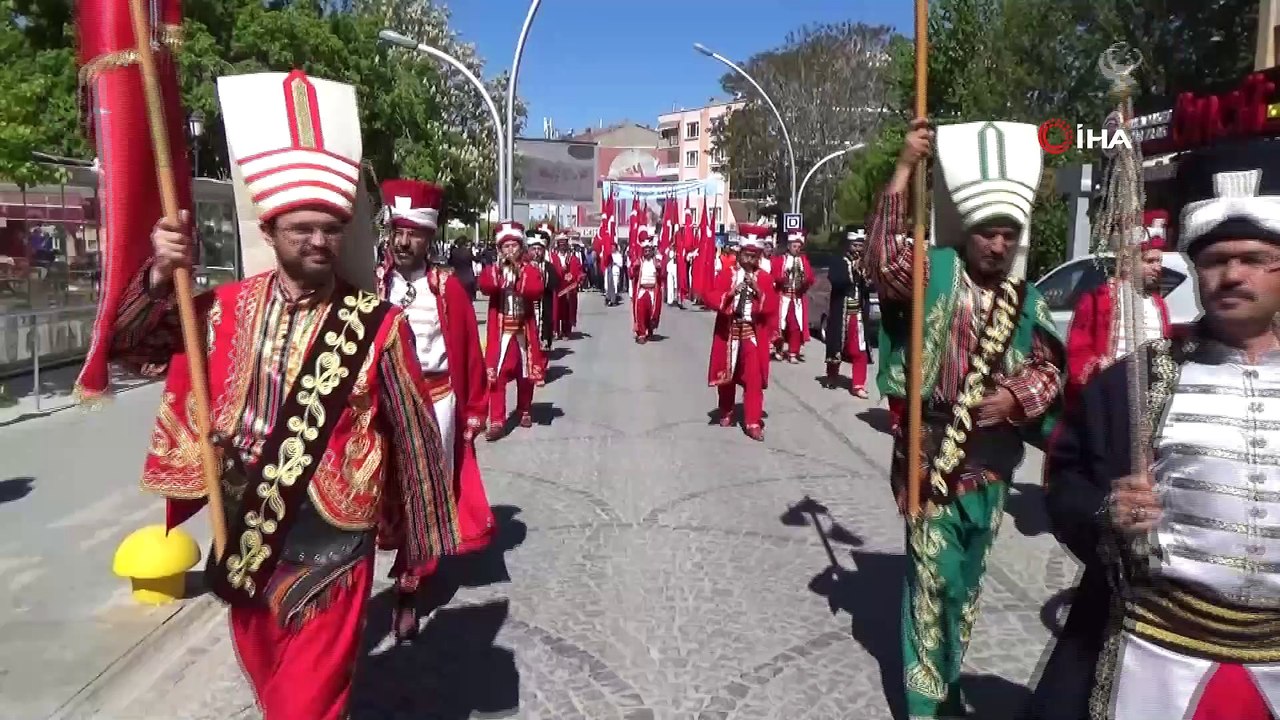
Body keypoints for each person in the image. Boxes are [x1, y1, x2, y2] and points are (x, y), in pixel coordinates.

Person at [112, 69, 459, 720]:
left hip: (333, 551)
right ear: (268, 232)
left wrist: (415, 552)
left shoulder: (378, 326)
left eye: (331, 227)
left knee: (305, 708)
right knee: (277, 697)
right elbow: (130, 351)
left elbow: (412, 441)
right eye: (302, 228)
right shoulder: (218, 311)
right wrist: (160, 274)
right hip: (246, 540)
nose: (320, 240)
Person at [1039, 137, 1280, 720]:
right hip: (1155, 653)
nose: (1231, 275)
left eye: (1251, 258)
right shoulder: (1132, 384)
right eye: (1215, 260)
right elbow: (1065, 479)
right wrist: (1107, 513)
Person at [864, 118, 1064, 718]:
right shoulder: (935, 270)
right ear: (968, 233)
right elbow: (881, 262)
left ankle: (948, 681)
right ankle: (927, 706)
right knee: (930, 584)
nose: (998, 246)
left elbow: (1051, 368)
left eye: (1008, 235)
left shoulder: (1026, 299)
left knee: (965, 586)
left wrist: (1016, 398)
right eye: (987, 234)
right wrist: (903, 166)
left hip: (994, 465)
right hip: (932, 457)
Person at [374, 178, 492, 643]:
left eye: (414, 233)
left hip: (435, 403)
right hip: (384, 403)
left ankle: (409, 582)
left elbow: (469, 354)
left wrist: (475, 411)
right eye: (397, 231)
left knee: (425, 494)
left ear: (429, 238)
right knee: (382, 494)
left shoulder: (447, 289)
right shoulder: (374, 283)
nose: (404, 241)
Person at [1064, 209, 1172, 406]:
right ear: (1127, 263)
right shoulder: (1098, 298)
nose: (1158, 267)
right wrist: (1099, 369)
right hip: (1108, 396)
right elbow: (1077, 351)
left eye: (1159, 261)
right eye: (1149, 261)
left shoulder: (1159, 304)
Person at [708, 225, 776, 442]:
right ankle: (727, 410)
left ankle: (753, 421)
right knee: (726, 376)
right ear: (739, 254)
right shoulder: (728, 274)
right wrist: (730, 293)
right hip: (729, 332)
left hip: (751, 334)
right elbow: (710, 295)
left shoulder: (764, 278)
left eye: (754, 255)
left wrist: (758, 291)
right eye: (747, 255)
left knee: (753, 379)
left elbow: (771, 306)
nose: (750, 259)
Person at [477, 222, 545, 440]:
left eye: (513, 246)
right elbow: (485, 286)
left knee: (525, 373)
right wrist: (500, 276)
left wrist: (518, 280)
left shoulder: (530, 271)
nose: (509, 251)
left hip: (523, 331)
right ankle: (496, 420)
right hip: (502, 332)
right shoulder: (493, 271)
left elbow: (537, 290)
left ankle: (524, 409)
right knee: (497, 375)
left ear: (521, 248)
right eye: (505, 247)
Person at [824, 226, 874, 397]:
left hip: (858, 313)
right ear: (848, 245)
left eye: (861, 246)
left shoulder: (866, 263)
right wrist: (853, 270)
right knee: (836, 345)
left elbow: (871, 286)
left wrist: (866, 275)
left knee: (860, 349)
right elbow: (836, 280)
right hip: (841, 311)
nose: (858, 249)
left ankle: (858, 384)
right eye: (855, 245)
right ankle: (832, 375)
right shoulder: (839, 261)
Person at [771, 228, 816, 363]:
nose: (797, 249)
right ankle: (779, 348)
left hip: (796, 299)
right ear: (789, 246)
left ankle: (793, 352)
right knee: (781, 325)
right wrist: (783, 278)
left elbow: (810, 278)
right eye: (794, 246)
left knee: (795, 326)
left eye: (799, 246)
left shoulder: (803, 261)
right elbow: (774, 277)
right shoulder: (781, 260)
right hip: (783, 298)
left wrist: (804, 280)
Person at [525, 229, 559, 357]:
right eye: (534, 249)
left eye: (539, 249)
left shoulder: (549, 267)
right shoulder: (523, 266)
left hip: (544, 304)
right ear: (528, 250)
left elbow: (555, 284)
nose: (537, 252)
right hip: (527, 306)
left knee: (544, 333)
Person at [630, 229, 664, 343]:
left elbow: (661, 276)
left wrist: (659, 270)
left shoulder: (656, 262)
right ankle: (641, 333)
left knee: (651, 312)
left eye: (649, 250)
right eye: (645, 250)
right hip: (642, 290)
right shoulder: (639, 262)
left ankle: (650, 330)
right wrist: (635, 268)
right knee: (640, 311)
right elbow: (631, 275)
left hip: (652, 291)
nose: (647, 252)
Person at [551, 233, 582, 340]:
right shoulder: (553, 257)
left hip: (568, 289)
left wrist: (574, 277)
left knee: (567, 311)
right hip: (557, 287)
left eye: (564, 244)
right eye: (560, 244)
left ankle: (566, 331)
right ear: (558, 245)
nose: (562, 246)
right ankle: (556, 331)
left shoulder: (572, 257)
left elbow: (577, 270)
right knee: (556, 310)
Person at [448, 234, 478, 300]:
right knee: (469, 299)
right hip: (468, 277)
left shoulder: (454, 252)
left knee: (458, 298)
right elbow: (476, 259)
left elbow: (449, 262)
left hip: (457, 277)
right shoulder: (467, 251)